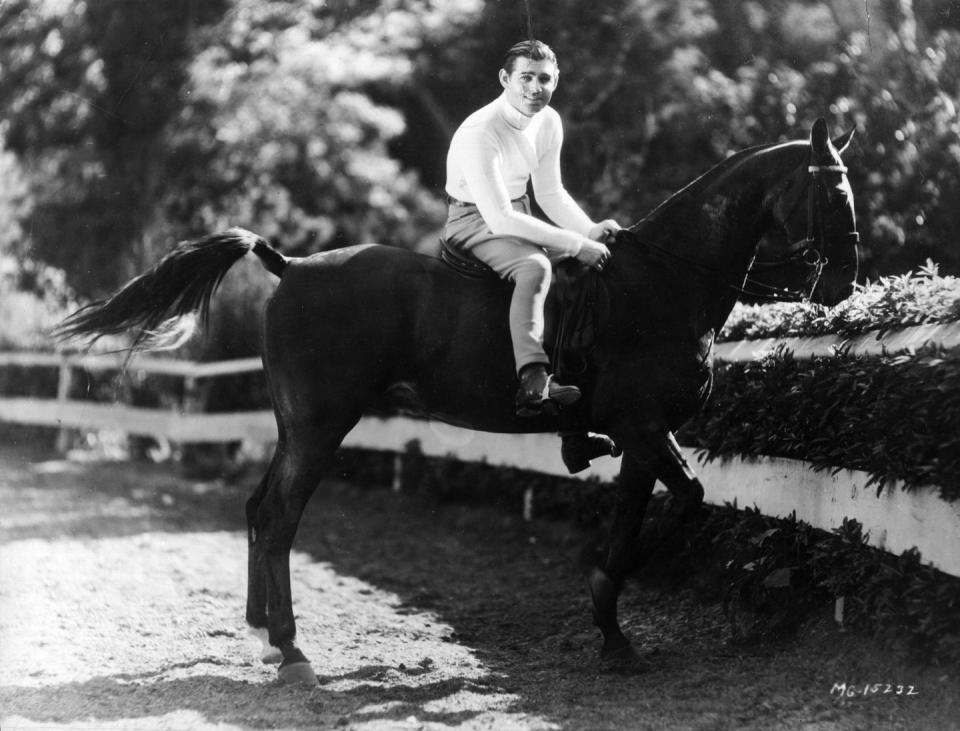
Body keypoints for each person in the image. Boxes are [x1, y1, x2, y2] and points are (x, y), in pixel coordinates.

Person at [442, 39, 621, 471]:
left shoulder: (549, 122)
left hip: (516, 215)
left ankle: (576, 430)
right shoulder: (479, 131)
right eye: (525, 77)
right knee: (535, 267)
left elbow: (550, 192)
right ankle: (532, 381)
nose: (535, 88)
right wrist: (576, 245)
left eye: (544, 79)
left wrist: (589, 230)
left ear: (555, 81)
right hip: (473, 221)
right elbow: (499, 219)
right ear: (506, 79)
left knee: (586, 280)